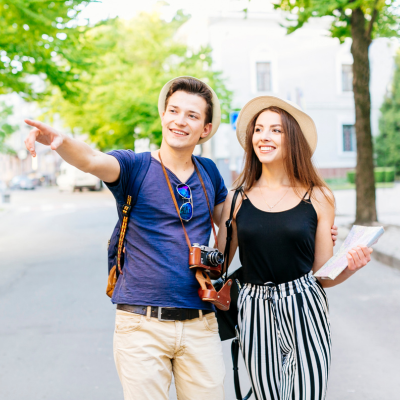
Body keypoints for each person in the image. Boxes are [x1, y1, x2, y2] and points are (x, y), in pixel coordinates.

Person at [24, 77, 338, 400]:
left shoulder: (209, 174)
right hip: (141, 323)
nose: (179, 121)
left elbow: (245, 225)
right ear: (163, 115)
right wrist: (60, 141)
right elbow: (91, 160)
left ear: (205, 128)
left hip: (199, 323)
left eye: (191, 115)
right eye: (173, 111)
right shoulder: (134, 167)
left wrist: (306, 225)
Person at [217, 96, 373, 400]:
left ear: (293, 139)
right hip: (253, 308)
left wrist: (350, 266)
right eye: (258, 129)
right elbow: (219, 262)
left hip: (305, 306)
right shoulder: (236, 197)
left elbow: (323, 275)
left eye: (276, 130)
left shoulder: (318, 196)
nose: (264, 136)